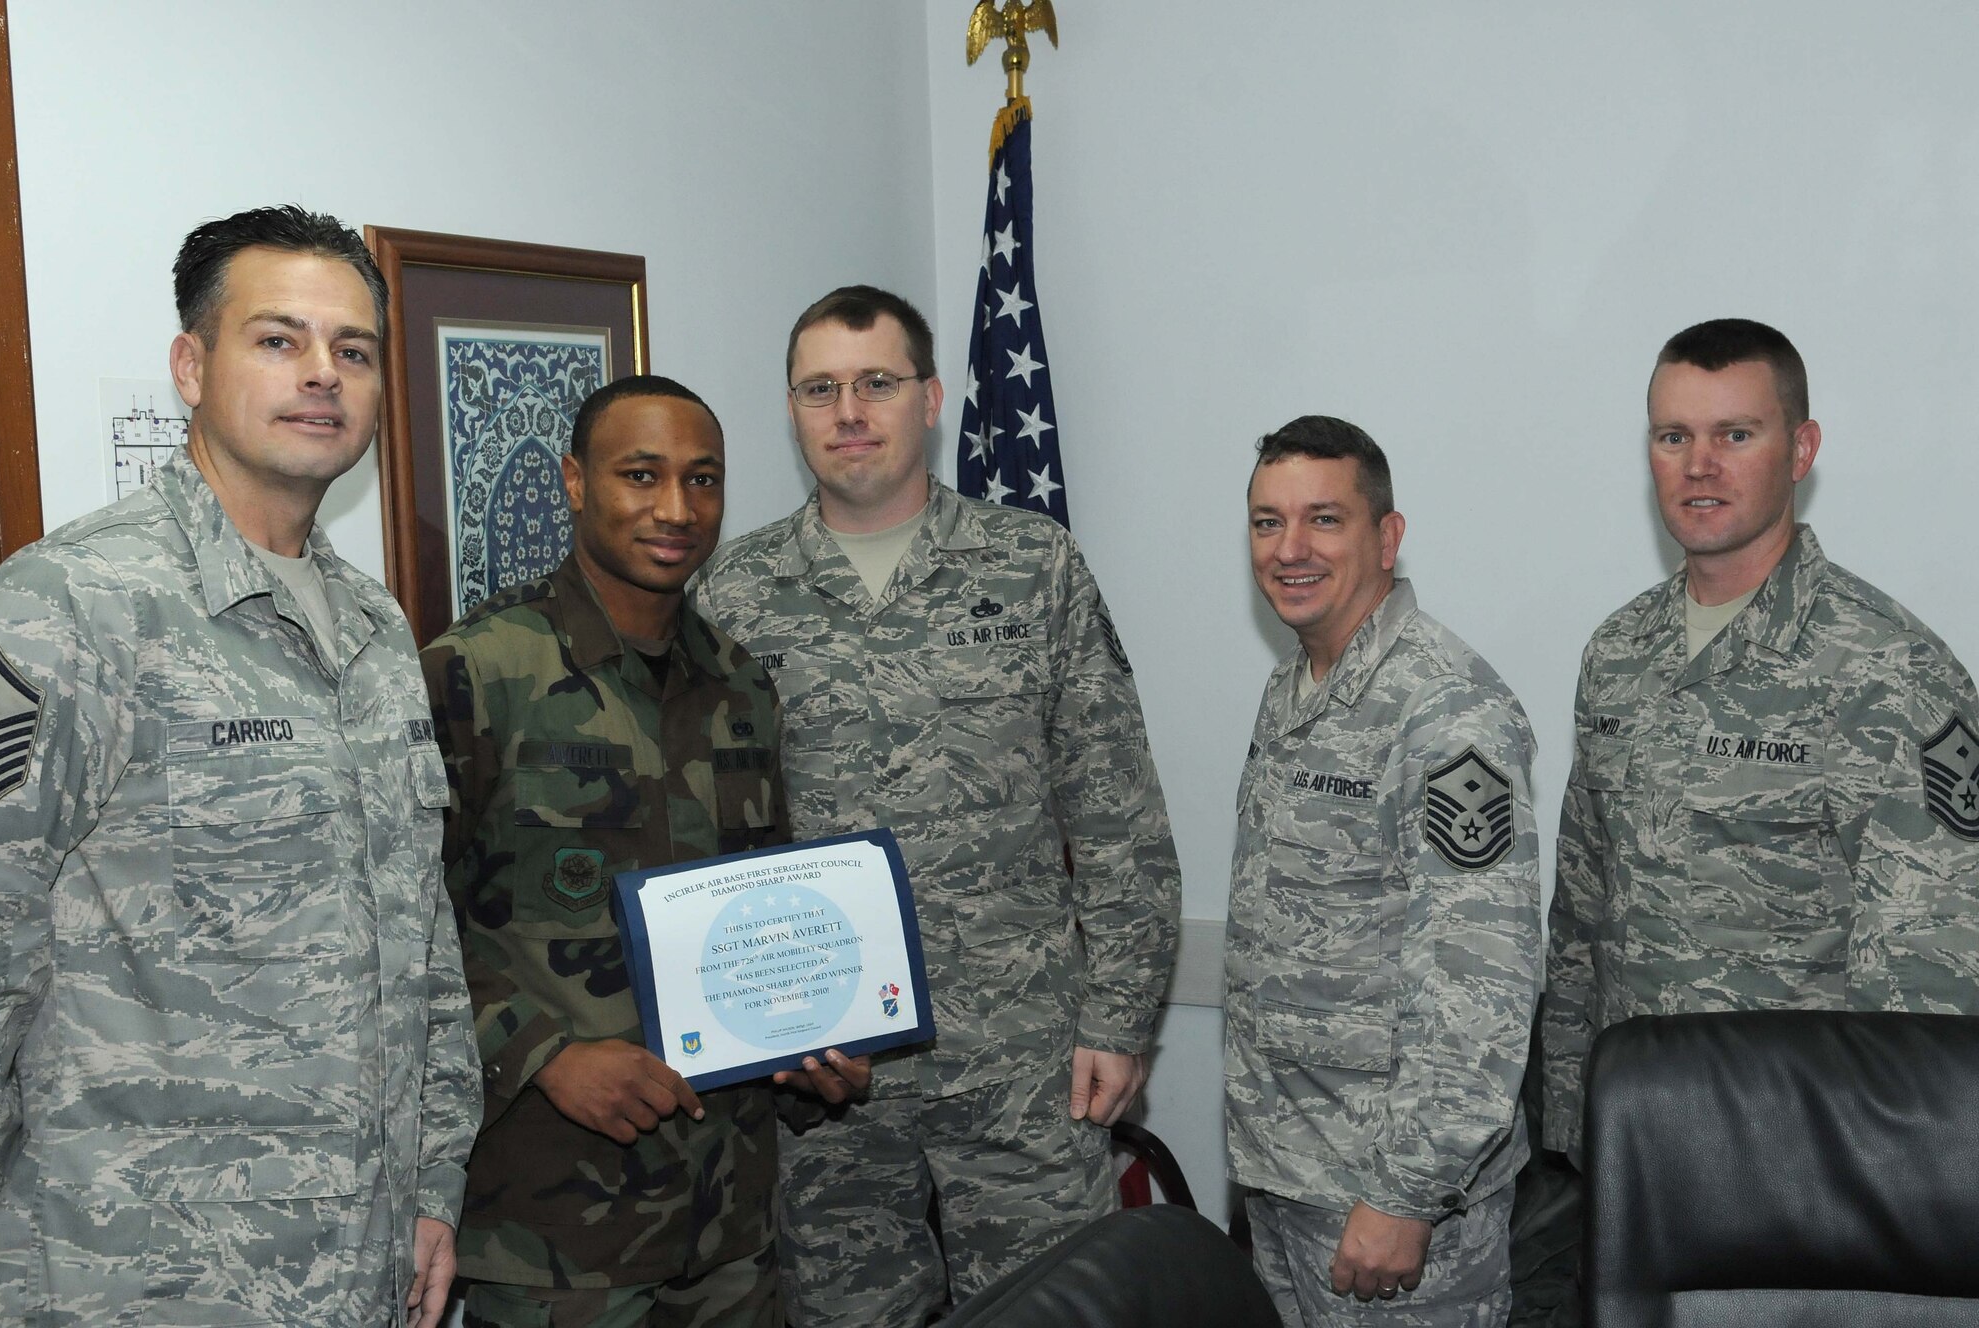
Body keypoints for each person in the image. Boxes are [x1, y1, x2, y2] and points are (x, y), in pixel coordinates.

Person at [0, 205, 482, 1326]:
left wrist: (433, 1179)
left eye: (352, 350)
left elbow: (423, 943)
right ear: (191, 365)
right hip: (134, 1278)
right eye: (278, 339)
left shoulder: (373, 628)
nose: (322, 375)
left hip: (359, 1264)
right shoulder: (64, 609)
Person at [693, 286, 1180, 1327]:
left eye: (875, 382)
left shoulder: (1029, 565)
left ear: (930, 398)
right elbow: (709, 839)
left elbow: (1116, 811)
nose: (848, 410)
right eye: (819, 388)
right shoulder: (732, 594)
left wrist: (1120, 1016)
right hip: (826, 1070)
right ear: (791, 412)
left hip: (1024, 1056)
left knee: (1056, 1311)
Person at [1528, 318, 1979, 1324]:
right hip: (1637, 1161)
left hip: (1802, 1177)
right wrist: (1570, 1119)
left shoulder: (1888, 671)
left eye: (1734, 434)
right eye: (1670, 436)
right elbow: (1586, 902)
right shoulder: (1617, 650)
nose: (1697, 466)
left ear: (1800, 450)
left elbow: (1927, 986)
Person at [422, 374, 868, 1328]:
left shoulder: (742, 686)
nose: (677, 509)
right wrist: (542, 1054)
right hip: (554, 1228)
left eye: (703, 480)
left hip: (728, 1221)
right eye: (642, 475)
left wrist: (809, 1038)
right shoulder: (478, 670)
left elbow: (762, 910)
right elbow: (399, 920)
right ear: (576, 483)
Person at [1225, 416, 1541, 1327]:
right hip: (1286, 1175)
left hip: (1391, 1205)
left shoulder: (1447, 710)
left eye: (1324, 520)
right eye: (1265, 522)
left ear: (1387, 537)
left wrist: (1406, 1194)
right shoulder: (1293, 689)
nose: (1290, 549)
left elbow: (1482, 981)